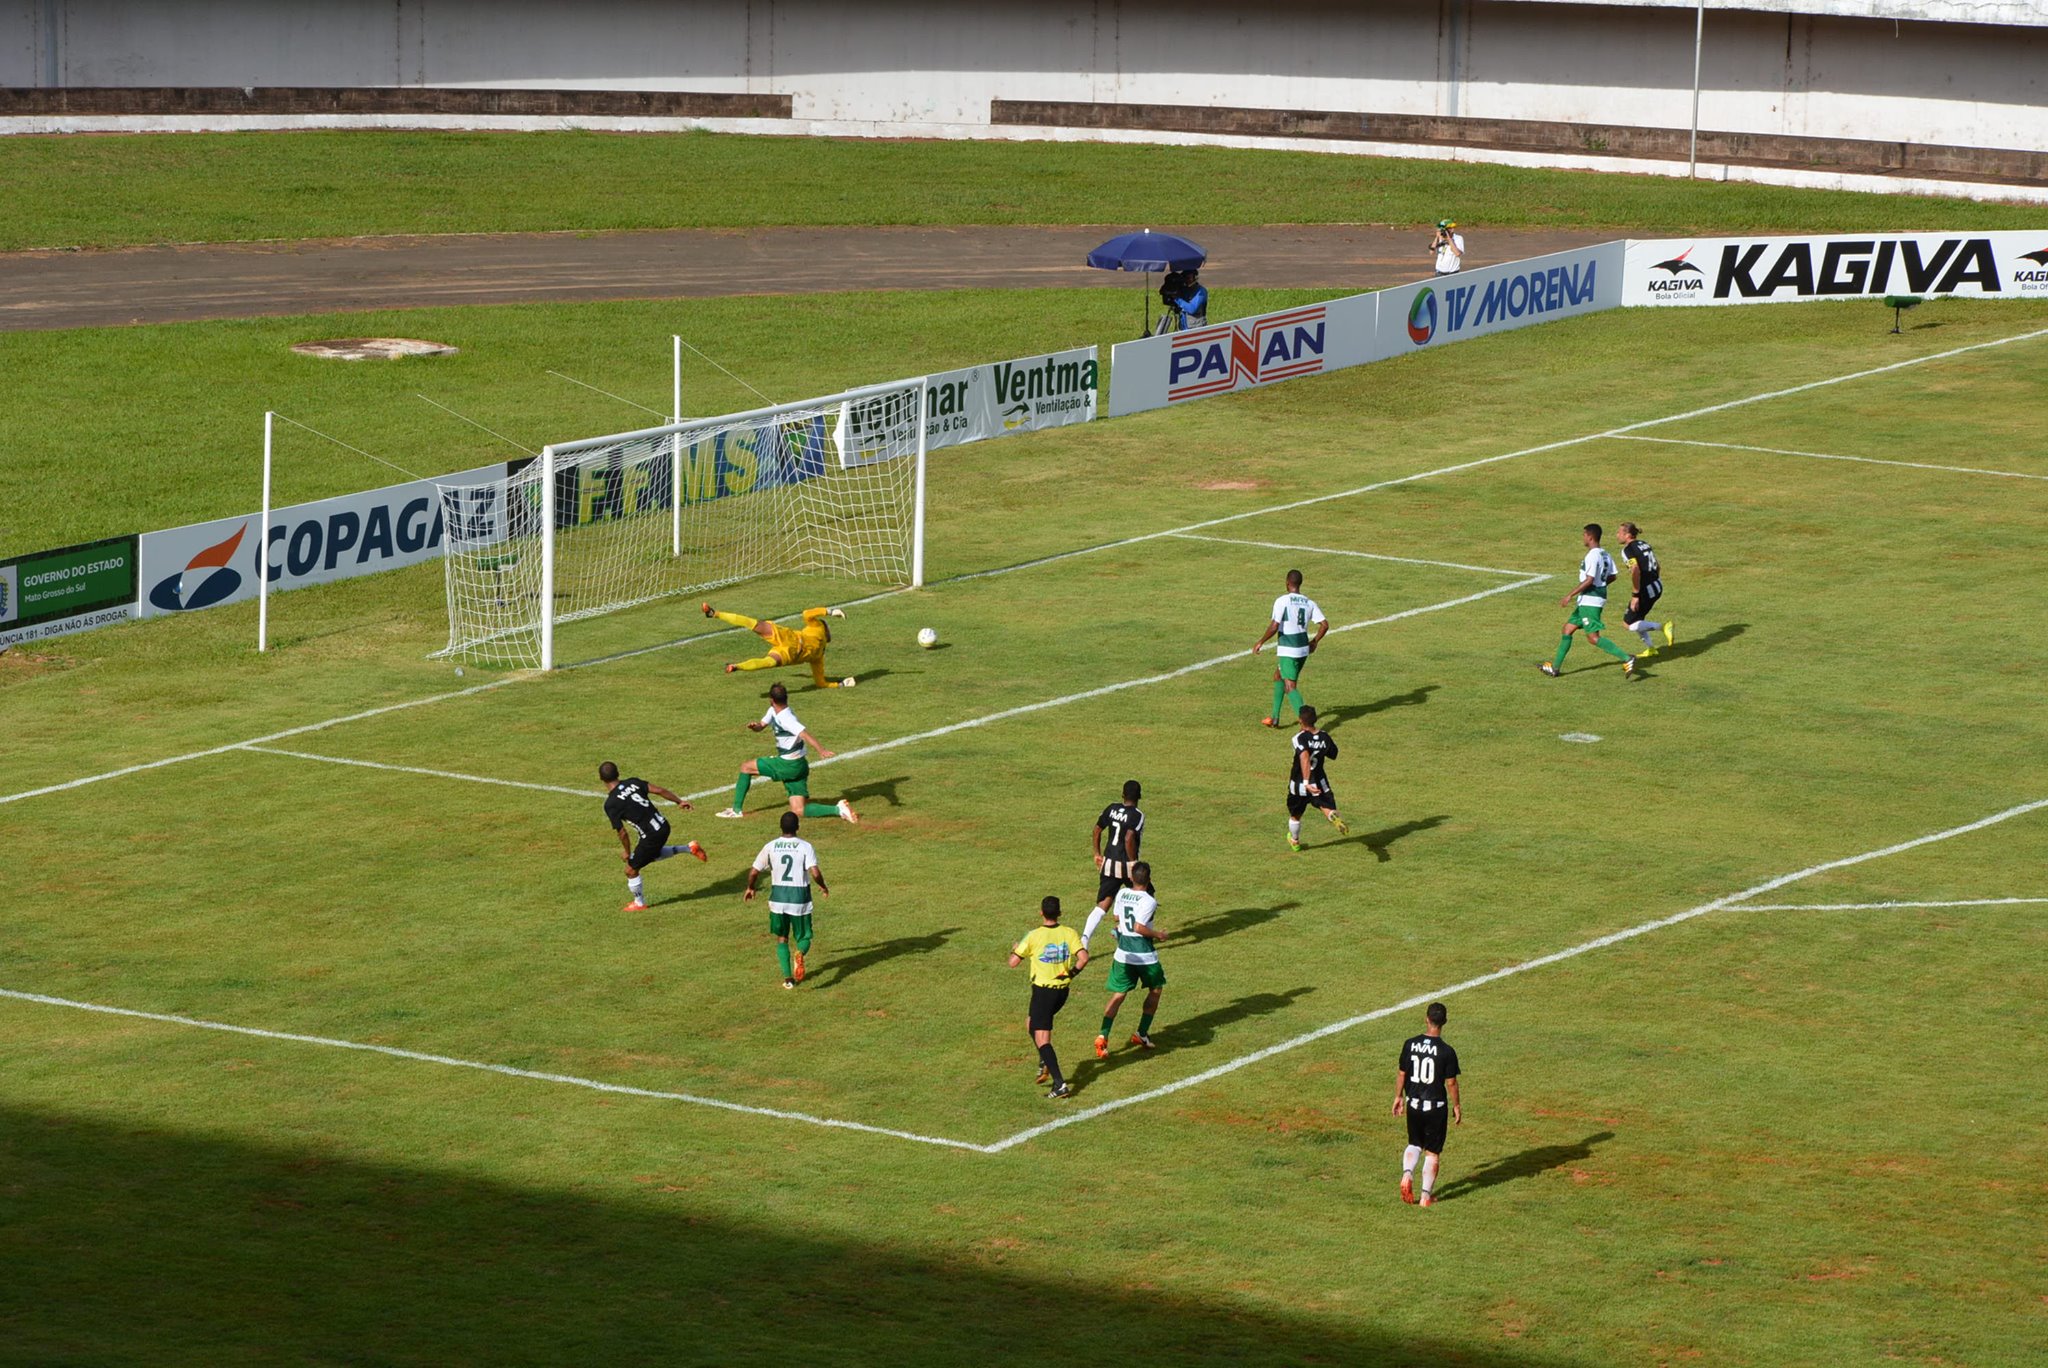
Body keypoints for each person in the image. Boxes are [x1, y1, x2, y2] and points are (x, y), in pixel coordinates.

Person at [716, 681, 860, 822]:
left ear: (771, 700)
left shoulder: (787, 718)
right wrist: (756, 726)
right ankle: (838, 809)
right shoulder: (773, 711)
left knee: (746, 767)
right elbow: (762, 725)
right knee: (798, 810)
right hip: (800, 765)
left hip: (789, 764)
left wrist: (821, 750)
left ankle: (736, 810)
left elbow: (804, 734)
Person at [1081, 861, 1165, 1058]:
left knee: (1119, 995)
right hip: (1144, 954)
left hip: (1122, 953)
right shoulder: (1149, 900)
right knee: (1156, 989)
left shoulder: (1121, 894)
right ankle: (1141, 1033)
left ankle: (1102, 1036)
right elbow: (1139, 927)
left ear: (1131, 879)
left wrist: (1120, 932)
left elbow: (1118, 918)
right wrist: (1158, 935)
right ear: (1149, 879)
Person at [1009, 895, 1089, 1099]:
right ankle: (1045, 1060)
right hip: (1062, 991)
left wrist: (1015, 949)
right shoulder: (1069, 933)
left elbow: (1013, 963)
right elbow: (1083, 958)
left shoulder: (1034, 936)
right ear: (1059, 913)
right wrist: (1071, 973)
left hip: (1044, 992)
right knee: (1030, 1024)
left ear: (1041, 913)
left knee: (1042, 1038)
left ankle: (1060, 1083)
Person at [599, 761, 707, 911]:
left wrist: (627, 852)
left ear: (601, 779)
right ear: (618, 773)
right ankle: (690, 848)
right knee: (652, 855)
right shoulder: (633, 782)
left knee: (630, 870)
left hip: (651, 835)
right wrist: (679, 801)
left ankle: (639, 903)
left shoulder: (611, 804)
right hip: (663, 825)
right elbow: (660, 790)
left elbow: (622, 832)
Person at [1539, 524, 1639, 679]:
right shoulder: (1605, 554)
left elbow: (1590, 580)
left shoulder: (1593, 555)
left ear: (1590, 537)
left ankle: (1627, 658)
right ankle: (1555, 668)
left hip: (1590, 601)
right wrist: (1600, 585)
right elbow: (1612, 576)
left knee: (1593, 638)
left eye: (1584, 535)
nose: (1583, 538)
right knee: (1567, 629)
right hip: (1589, 600)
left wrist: (1569, 595)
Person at [745, 810, 828, 988]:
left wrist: (751, 887)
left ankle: (788, 979)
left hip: (778, 899)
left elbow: (753, 872)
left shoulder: (771, 846)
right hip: (799, 898)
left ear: (780, 827)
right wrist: (822, 885)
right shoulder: (805, 846)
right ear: (797, 827)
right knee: (804, 936)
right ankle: (799, 953)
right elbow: (814, 872)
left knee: (782, 937)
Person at [1393, 1002, 1463, 1207]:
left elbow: (1401, 1073)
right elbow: (1451, 1082)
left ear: (1426, 1019)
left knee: (1414, 1143)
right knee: (1432, 1152)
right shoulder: (1447, 1051)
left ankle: (1407, 1174)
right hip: (1435, 1108)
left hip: (1413, 1103)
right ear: (1445, 1022)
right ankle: (1425, 1197)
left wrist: (1398, 1096)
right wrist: (1457, 1105)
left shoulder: (1410, 1044)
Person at [703, 601, 851, 689]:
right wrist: (829, 611)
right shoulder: (818, 648)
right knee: (756, 629)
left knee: (755, 629)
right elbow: (807, 614)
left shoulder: (819, 656)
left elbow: (820, 682)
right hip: (790, 648)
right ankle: (714, 614)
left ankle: (737, 666)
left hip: (788, 643)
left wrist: (840, 684)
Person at [1252, 569, 1328, 728]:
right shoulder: (1309, 602)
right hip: (1303, 648)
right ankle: (1274, 717)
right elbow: (1324, 625)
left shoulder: (1282, 601)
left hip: (1289, 649)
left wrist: (1261, 641)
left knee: (1290, 686)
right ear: (1300, 583)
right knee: (1278, 676)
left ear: (1287, 582)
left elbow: (1274, 626)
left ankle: (1308, 725)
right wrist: (1314, 641)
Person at [1286, 704, 1349, 850]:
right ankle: (1333, 816)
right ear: (1315, 720)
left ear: (1300, 720)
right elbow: (1334, 754)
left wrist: (1306, 782)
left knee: (1295, 815)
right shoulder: (1325, 737)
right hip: (1319, 782)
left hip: (1300, 783)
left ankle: (1295, 841)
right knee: (1325, 806)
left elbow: (1304, 757)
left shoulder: (1299, 738)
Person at [1617, 521, 1675, 657]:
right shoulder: (1644, 544)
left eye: (1619, 532)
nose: (1617, 535)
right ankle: (1651, 649)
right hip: (1657, 584)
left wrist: (1635, 595)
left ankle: (1663, 626)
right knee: (1638, 619)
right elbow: (1657, 565)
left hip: (1646, 590)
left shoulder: (1627, 550)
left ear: (1627, 535)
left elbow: (1635, 570)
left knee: (1628, 624)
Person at [1092, 779, 1146, 914]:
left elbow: (1097, 830)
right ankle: (1138, 930)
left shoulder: (1112, 808)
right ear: (1139, 796)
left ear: (1123, 794)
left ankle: (1086, 935)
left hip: (1109, 863)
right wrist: (1133, 862)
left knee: (1104, 903)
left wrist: (1097, 854)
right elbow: (1129, 838)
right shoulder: (1137, 815)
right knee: (1146, 896)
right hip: (1126, 864)